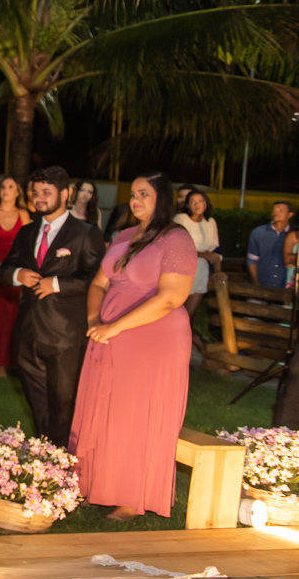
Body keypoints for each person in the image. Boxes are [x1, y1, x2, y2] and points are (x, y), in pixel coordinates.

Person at [70, 173, 197, 521]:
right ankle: (93, 484)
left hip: (153, 338)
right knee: (105, 409)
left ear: (164, 199)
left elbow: (172, 297)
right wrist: (96, 320)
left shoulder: (176, 239)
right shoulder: (124, 235)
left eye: (144, 194)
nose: (135, 200)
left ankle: (132, 496)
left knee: (135, 414)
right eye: (133, 194)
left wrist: (116, 327)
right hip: (108, 333)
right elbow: (99, 282)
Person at [0, 166, 105, 448]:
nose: (39, 198)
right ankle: (46, 457)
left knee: (63, 405)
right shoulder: (27, 232)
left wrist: (56, 284)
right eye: (35, 193)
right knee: (37, 405)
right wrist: (17, 275)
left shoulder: (85, 233)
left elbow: (97, 279)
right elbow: (5, 268)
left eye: (46, 192)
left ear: (65, 193)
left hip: (65, 336)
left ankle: (63, 459)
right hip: (28, 334)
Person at [0, 176, 31, 379]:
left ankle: (4, 366)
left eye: (11, 187)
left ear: (18, 192)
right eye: (3, 187)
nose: (6, 190)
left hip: (14, 270)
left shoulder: (24, 214)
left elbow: (28, 244)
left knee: (10, 317)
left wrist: (16, 269)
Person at [174, 190, 221, 347]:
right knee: (177, 314)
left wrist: (218, 271)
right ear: (188, 205)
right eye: (192, 201)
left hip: (200, 272)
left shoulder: (210, 223)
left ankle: (185, 348)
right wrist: (203, 254)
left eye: (200, 200)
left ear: (206, 203)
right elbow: (178, 247)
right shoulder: (181, 219)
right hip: (182, 270)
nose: (197, 204)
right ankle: (179, 347)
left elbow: (215, 250)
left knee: (189, 315)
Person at [247, 201, 294, 288]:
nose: (276, 213)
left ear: (290, 215)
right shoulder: (258, 233)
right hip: (262, 284)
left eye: (281, 211)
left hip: (285, 288)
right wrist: (256, 283)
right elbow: (252, 260)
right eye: (274, 210)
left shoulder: (294, 235)